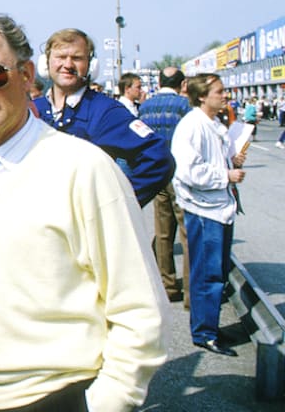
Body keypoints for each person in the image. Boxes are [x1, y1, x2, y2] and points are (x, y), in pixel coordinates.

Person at [0, 11, 168, 411]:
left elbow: (142, 312)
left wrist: (104, 404)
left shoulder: (84, 168)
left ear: (25, 76)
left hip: (65, 395)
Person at [33, 28, 174, 206]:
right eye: (60, 57)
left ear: (91, 65)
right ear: (46, 63)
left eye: (77, 58)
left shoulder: (107, 111)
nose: (68, 65)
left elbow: (159, 158)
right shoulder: (32, 110)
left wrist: (118, 206)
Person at [172, 73, 246, 357]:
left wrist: (232, 160)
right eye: (219, 91)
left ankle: (209, 327)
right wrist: (226, 174)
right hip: (204, 209)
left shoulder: (213, 124)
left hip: (218, 207)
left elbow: (210, 161)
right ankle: (204, 333)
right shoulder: (192, 125)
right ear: (202, 96)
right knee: (208, 273)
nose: (225, 95)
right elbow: (189, 171)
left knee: (216, 272)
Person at [139, 67, 193, 306]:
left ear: (159, 81)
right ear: (182, 84)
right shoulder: (184, 106)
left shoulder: (146, 107)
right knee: (187, 233)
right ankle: (192, 292)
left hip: (158, 174)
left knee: (163, 232)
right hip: (182, 174)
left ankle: (167, 285)